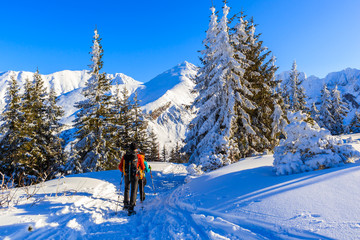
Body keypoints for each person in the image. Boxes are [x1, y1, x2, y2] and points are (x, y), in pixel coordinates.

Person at [118, 142, 145, 215]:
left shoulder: (125, 156)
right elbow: (143, 167)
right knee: (134, 190)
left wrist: (124, 171)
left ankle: (126, 204)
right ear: (136, 149)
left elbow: (120, 167)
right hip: (135, 175)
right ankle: (131, 207)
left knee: (127, 189)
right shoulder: (138, 156)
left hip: (126, 175)